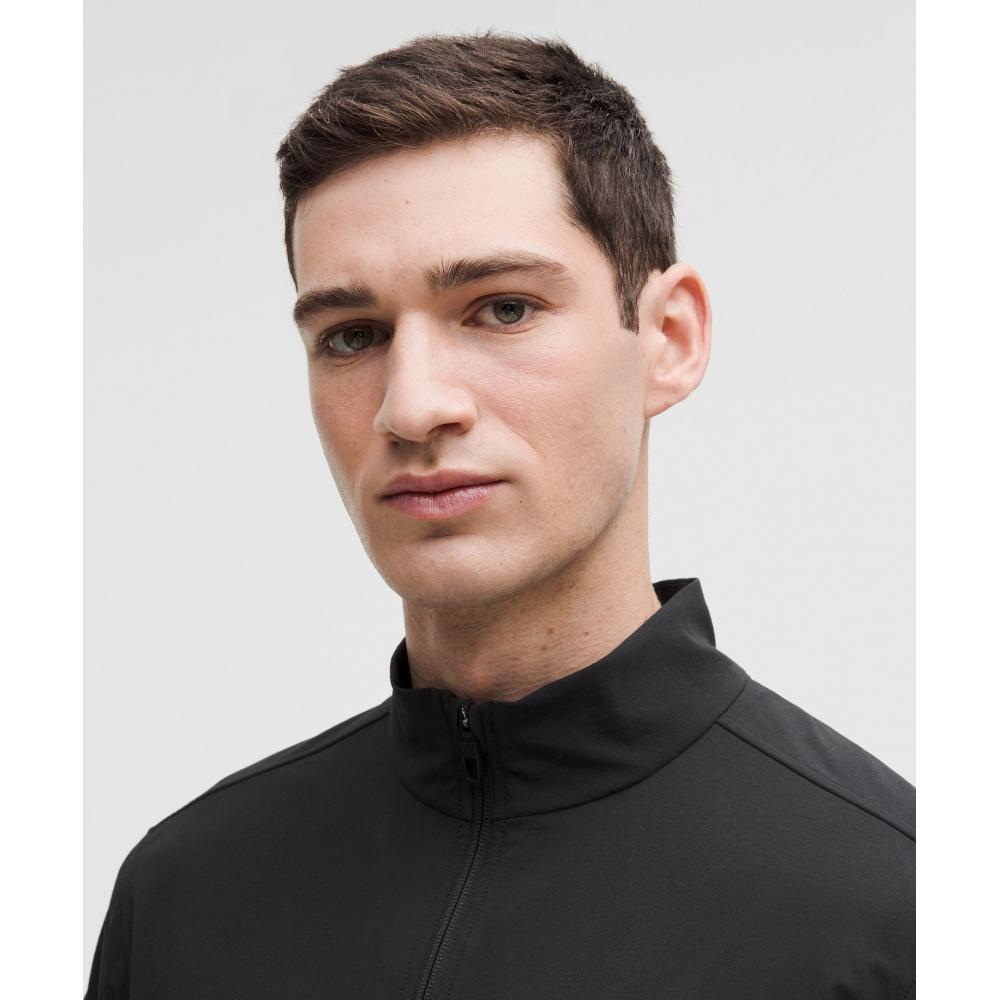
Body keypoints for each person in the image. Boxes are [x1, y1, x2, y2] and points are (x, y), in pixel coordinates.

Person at [85, 31, 915, 999]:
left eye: (503, 309)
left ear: (669, 338)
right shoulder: (186, 895)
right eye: (352, 335)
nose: (411, 407)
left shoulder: (899, 908)